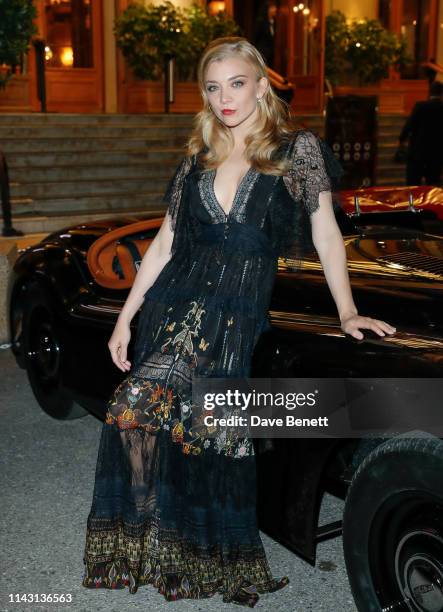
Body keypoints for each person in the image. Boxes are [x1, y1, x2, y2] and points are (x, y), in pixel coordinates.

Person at [81, 37, 396, 607]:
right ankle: (155, 534)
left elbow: (326, 233)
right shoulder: (197, 155)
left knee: (211, 427)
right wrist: (125, 318)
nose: (225, 97)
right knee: (133, 410)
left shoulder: (295, 149)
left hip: (236, 312)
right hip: (177, 304)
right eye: (212, 86)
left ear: (260, 84)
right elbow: (165, 242)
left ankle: (208, 553)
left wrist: (347, 310)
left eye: (236, 83)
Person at [399, 80, 443, 186]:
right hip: (436, 154)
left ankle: (413, 202)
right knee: (432, 187)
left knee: (413, 186)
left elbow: (409, 125)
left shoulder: (420, 106)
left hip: (417, 152)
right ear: (441, 93)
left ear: (429, 92)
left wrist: (401, 139)